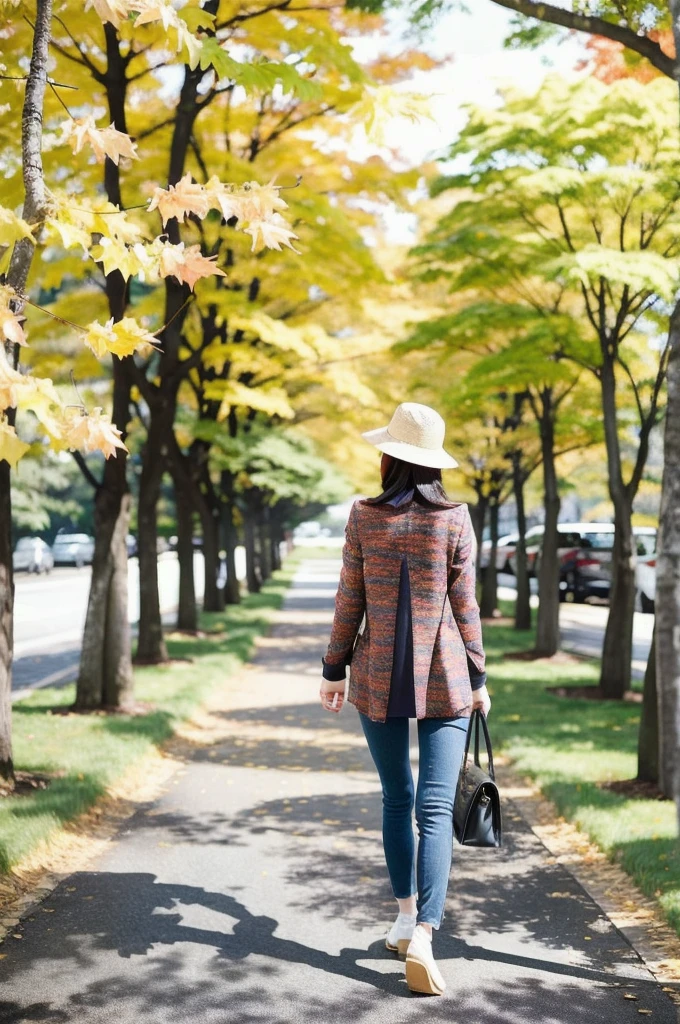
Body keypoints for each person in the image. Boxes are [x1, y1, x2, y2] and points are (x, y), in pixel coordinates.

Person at [319, 401, 490, 997]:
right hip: (446, 674)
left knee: (398, 796)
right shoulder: (456, 519)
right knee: (436, 808)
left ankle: (400, 914)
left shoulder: (364, 517)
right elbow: (466, 606)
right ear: (433, 463)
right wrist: (480, 677)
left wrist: (333, 667)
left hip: (374, 674)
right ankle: (424, 931)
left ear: (389, 456)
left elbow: (350, 600)